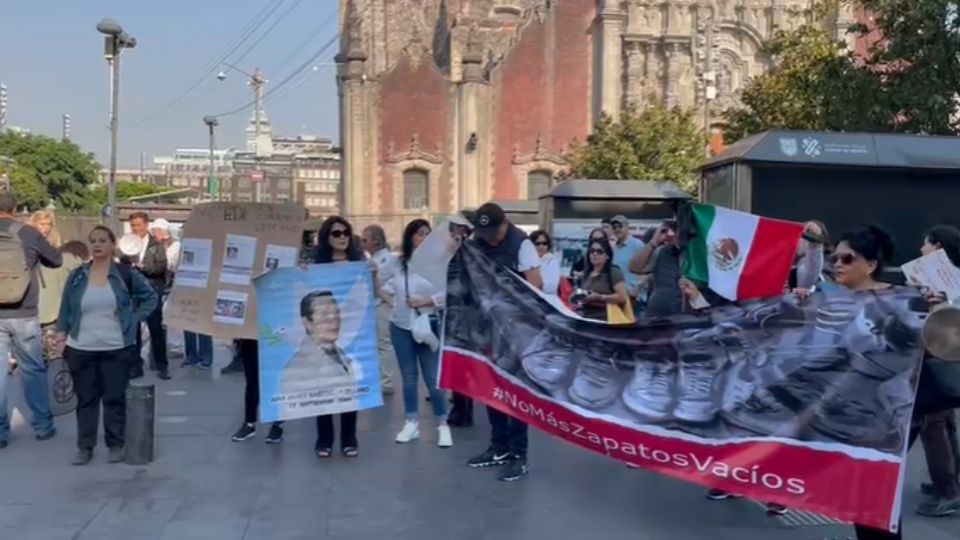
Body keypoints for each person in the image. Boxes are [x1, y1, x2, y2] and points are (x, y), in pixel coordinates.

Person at [55, 225, 158, 465]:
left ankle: (115, 444)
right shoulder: (78, 275)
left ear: (112, 245)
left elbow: (150, 297)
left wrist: (134, 318)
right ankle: (85, 446)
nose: (97, 244)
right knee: (86, 400)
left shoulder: (124, 274)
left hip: (116, 347)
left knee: (114, 397)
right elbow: (66, 308)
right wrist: (61, 335)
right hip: (81, 348)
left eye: (102, 240)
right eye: (93, 241)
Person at [466, 202, 542, 482]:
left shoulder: (522, 244)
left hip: (516, 329)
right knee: (491, 388)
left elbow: (537, 286)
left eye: (493, 231)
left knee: (516, 392)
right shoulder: (479, 240)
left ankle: (519, 455)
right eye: (483, 232)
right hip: (488, 327)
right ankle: (499, 447)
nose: (489, 238)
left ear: (504, 223)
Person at [382, 219, 452, 447]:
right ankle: (411, 422)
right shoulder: (397, 262)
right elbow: (379, 280)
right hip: (400, 324)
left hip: (427, 323)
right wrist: (392, 301)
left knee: (433, 379)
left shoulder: (440, 263)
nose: (424, 238)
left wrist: (427, 300)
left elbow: (450, 292)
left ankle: (443, 424)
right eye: (420, 233)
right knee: (409, 377)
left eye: (428, 234)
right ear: (411, 236)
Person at [0, 192, 62, 449]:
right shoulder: (28, 233)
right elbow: (56, 260)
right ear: (15, 209)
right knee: (33, 369)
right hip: (24, 311)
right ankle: (42, 425)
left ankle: (1, 432)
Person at [312, 216, 370, 458]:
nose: (343, 237)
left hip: (353, 332)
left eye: (346, 232)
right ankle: (324, 439)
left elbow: (370, 294)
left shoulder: (359, 263)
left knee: (350, 385)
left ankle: (349, 438)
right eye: (336, 233)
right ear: (327, 238)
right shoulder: (317, 266)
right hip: (325, 332)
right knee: (323, 385)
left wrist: (373, 275)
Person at [913, 224, 960, 517]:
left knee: (933, 423)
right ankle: (951, 480)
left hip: (940, 356)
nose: (921, 249)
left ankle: (948, 490)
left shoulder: (944, 281)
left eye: (926, 244)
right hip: (945, 357)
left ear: (938, 248)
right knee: (945, 420)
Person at [280, 291, 363, 396]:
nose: (333, 318)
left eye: (336, 312)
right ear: (307, 323)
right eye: (324, 314)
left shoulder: (342, 355)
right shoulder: (295, 370)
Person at [128, 212, 170, 380]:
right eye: (133, 225)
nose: (136, 228)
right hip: (134, 290)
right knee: (134, 329)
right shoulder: (127, 243)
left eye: (139, 225)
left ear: (146, 225)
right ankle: (135, 366)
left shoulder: (156, 245)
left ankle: (162, 365)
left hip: (151, 290)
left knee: (155, 329)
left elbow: (162, 266)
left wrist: (144, 268)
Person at [361, 224, 397, 396]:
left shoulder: (389, 259)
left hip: (383, 303)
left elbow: (396, 280)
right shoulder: (368, 260)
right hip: (370, 304)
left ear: (376, 240)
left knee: (384, 342)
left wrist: (386, 295)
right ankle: (377, 377)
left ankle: (386, 381)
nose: (362, 242)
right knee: (373, 343)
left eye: (365, 239)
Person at [229, 338, 285, 445]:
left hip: (272, 336)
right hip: (250, 339)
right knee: (252, 382)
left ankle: (277, 424)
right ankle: (249, 423)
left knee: (274, 381)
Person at [629, 220, 682, 318]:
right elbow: (635, 267)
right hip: (658, 313)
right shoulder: (662, 251)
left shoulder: (697, 253)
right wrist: (654, 242)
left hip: (686, 314)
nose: (671, 234)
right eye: (672, 229)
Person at [577, 238, 629, 321]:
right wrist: (576, 296)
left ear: (607, 256)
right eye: (592, 251)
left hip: (607, 318)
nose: (594, 254)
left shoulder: (613, 272)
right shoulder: (587, 272)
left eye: (599, 252)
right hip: (586, 316)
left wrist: (600, 297)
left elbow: (622, 296)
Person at [609, 215, 645, 313]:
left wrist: (638, 288)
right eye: (614, 227)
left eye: (620, 226)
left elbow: (648, 270)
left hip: (634, 299)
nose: (617, 229)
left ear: (627, 227)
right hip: (616, 298)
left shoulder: (638, 245)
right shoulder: (612, 248)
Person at [528, 229, 560, 298]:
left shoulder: (551, 260)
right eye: (537, 244)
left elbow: (552, 287)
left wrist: (536, 282)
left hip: (546, 301)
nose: (541, 246)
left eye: (544, 243)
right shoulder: (526, 260)